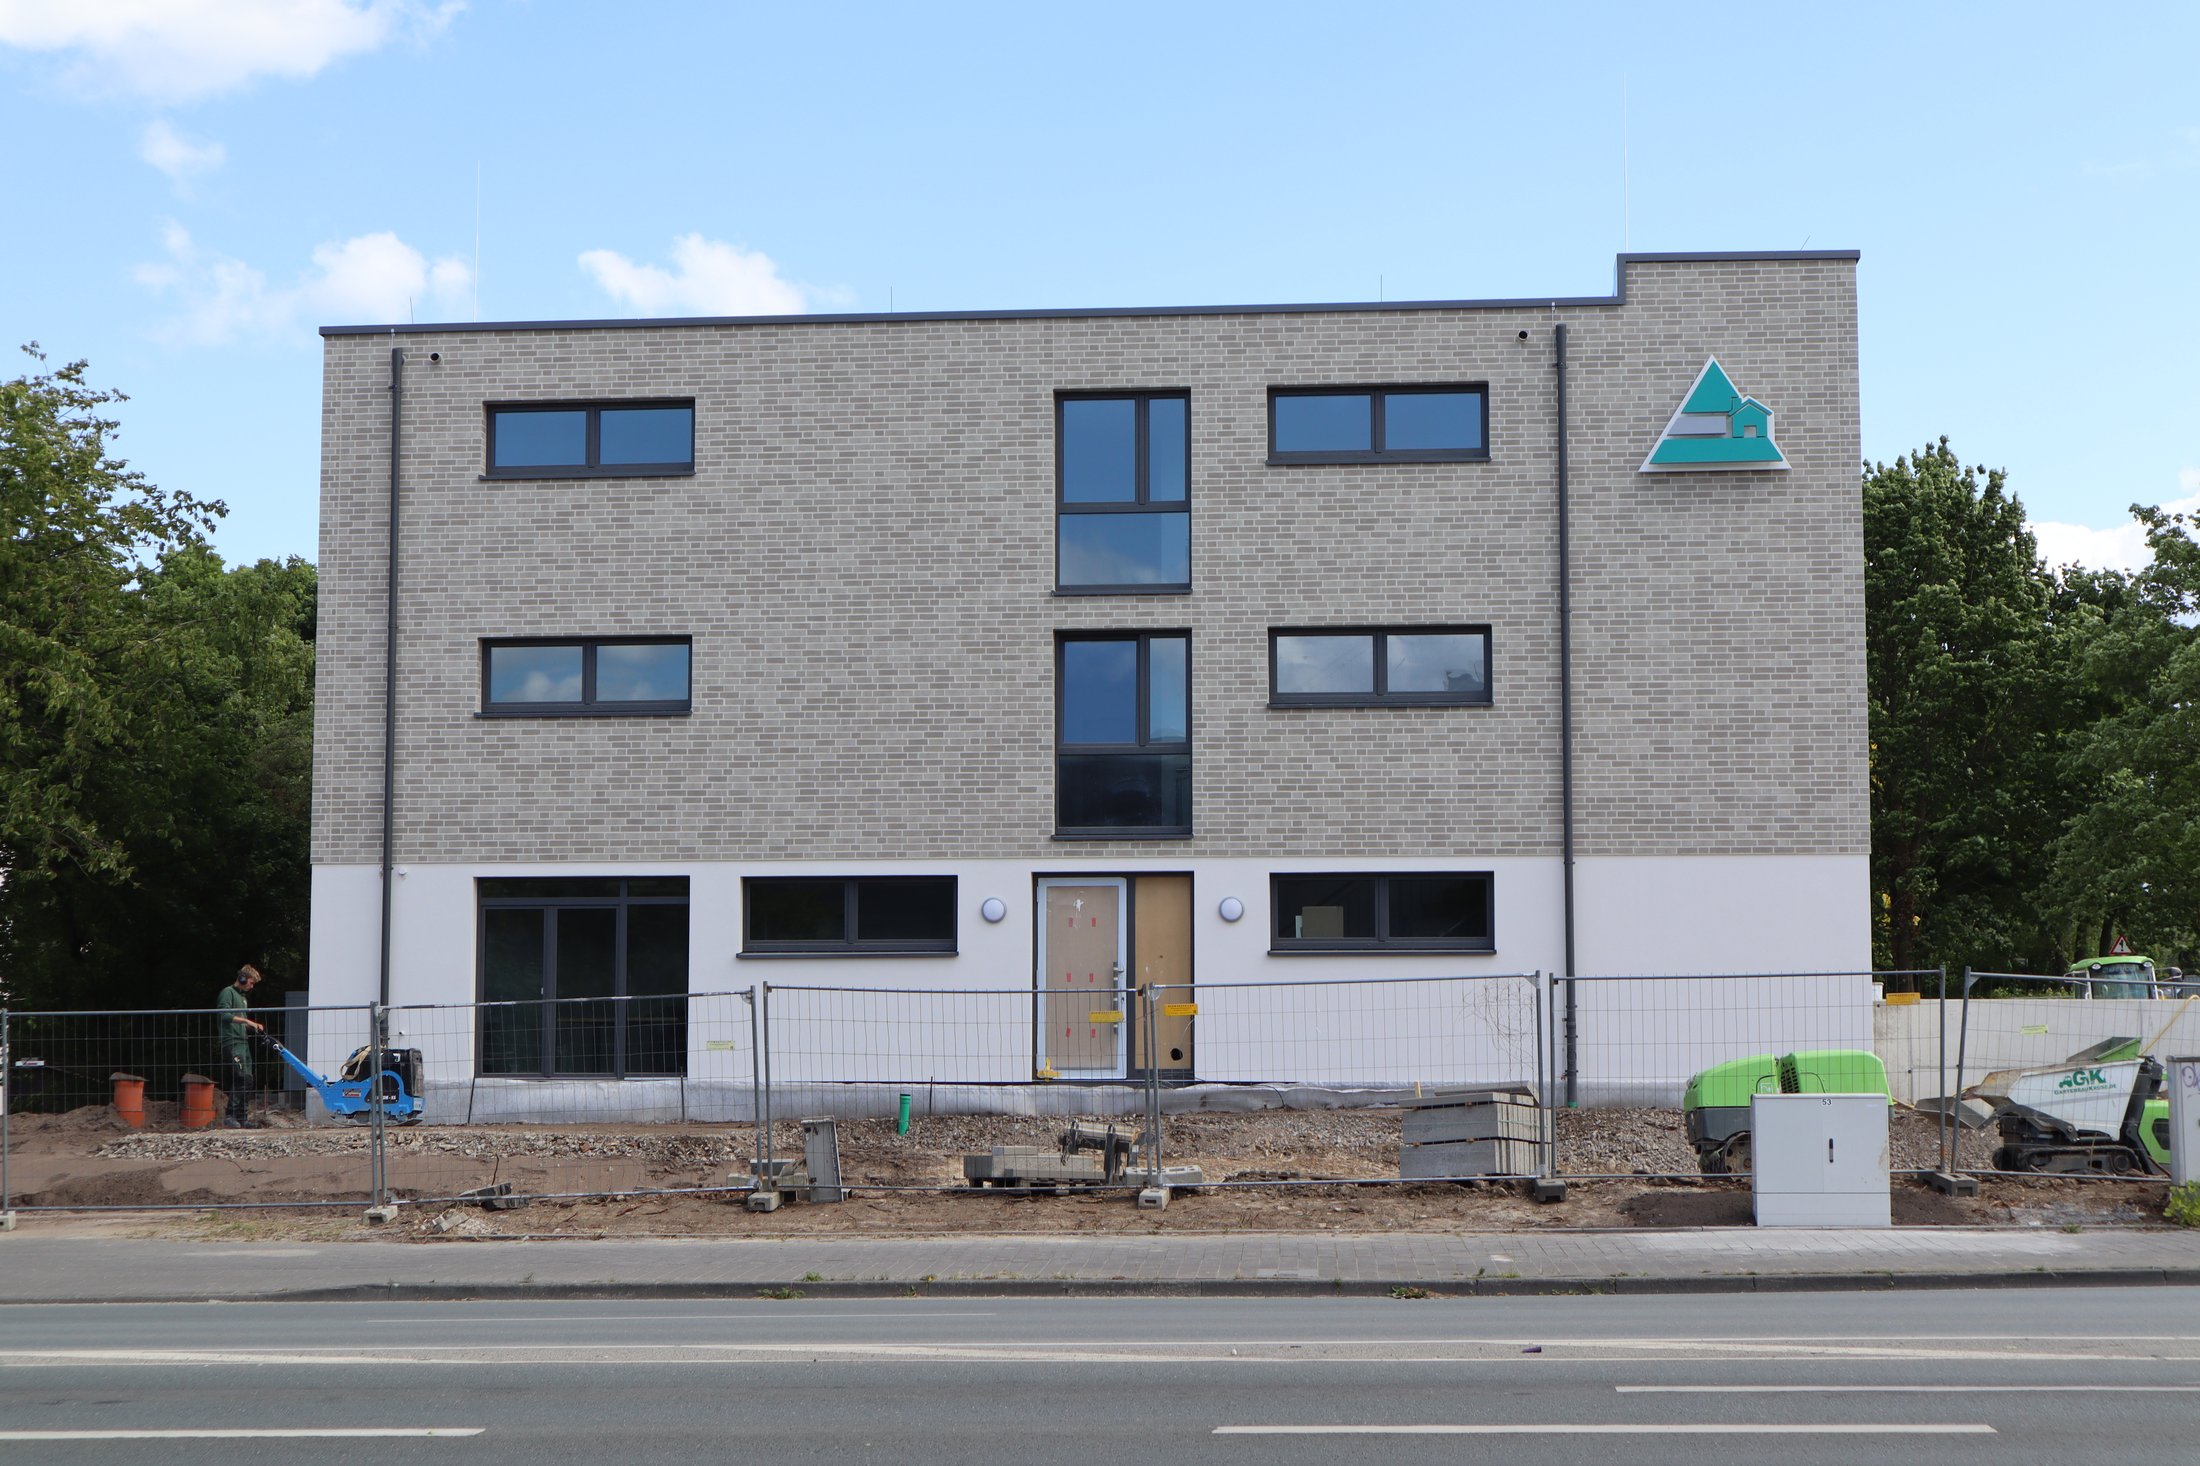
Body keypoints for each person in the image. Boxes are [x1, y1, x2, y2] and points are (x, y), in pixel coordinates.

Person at [217, 964, 266, 1128]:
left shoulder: (243, 999)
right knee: (239, 1077)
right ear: (242, 978)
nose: (251, 986)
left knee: (248, 1079)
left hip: (243, 1042)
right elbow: (224, 1015)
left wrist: (252, 1026)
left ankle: (243, 1118)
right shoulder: (227, 993)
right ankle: (230, 1115)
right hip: (231, 1041)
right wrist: (246, 1021)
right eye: (251, 983)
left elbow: (241, 1020)